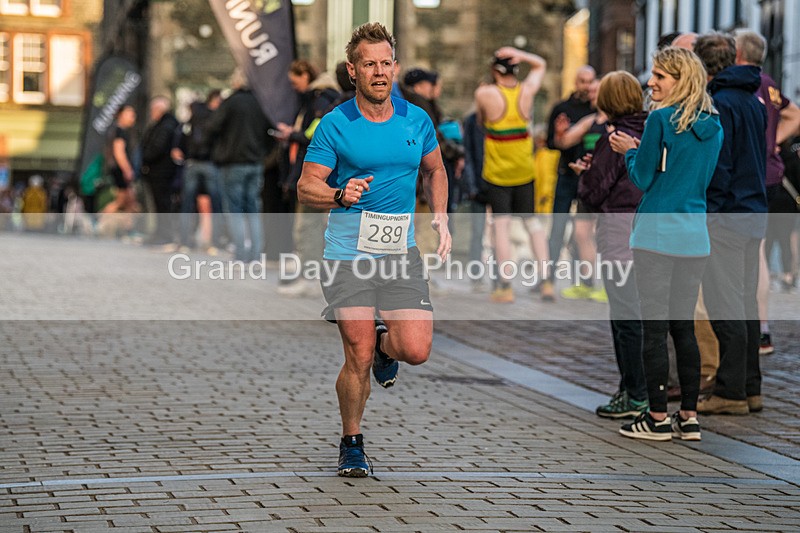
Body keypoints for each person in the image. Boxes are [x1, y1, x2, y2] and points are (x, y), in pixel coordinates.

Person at [296, 22, 450, 477]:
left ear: (395, 68)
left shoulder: (416, 119)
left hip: (399, 251)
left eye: (386, 63)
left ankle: (388, 346)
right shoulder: (335, 125)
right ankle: (352, 441)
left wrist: (440, 215)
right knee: (356, 355)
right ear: (353, 70)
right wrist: (341, 194)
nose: (379, 72)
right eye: (369, 64)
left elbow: (436, 170)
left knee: (416, 348)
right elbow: (306, 187)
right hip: (347, 255)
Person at [609, 46, 723, 441]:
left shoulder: (659, 120)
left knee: (654, 329)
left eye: (659, 75)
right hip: (694, 236)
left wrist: (631, 151)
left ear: (680, 78)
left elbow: (642, 178)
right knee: (684, 328)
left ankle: (657, 417)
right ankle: (688, 416)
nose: (651, 82)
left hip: (656, 235)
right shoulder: (714, 124)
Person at [694, 33, 767, 416]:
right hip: (753, 212)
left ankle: (731, 391)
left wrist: (710, 214)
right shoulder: (753, 100)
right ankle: (751, 387)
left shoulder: (719, 104)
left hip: (726, 217)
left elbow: (719, 168)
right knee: (745, 303)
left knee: (725, 305)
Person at [574, 71, 648, 419]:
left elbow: (594, 193)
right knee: (643, 315)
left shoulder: (613, 138)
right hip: (648, 229)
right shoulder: (650, 130)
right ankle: (639, 389)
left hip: (618, 233)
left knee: (625, 318)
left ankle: (634, 393)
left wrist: (586, 175)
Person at [734, 30, 800, 355]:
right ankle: (760, 329)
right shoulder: (769, 81)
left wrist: (768, 141)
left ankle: (759, 328)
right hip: (771, 174)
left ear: (738, 52)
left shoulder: (745, 82)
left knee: (754, 252)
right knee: (756, 250)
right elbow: (795, 115)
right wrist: (775, 140)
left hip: (752, 177)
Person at [474, 47, 553, 303]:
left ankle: (505, 285)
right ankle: (546, 281)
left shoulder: (485, 93)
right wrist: (519, 53)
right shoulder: (527, 91)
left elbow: (480, 123)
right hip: (524, 170)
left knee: (501, 226)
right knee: (533, 224)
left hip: (497, 172)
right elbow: (540, 64)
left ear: (495, 71)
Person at [275, 59, 340, 296]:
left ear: (306, 75)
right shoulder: (327, 96)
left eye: (295, 81)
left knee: (308, 227)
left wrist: (295, 135)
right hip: (328, 173)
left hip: (317, 172)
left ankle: (311, 279)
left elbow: (317, 131)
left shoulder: (320, 97)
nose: (294, 87)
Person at [206, 68, 276, 264]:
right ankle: (256, 253)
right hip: (255, 162)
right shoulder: (261, 102)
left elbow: (211, 127)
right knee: (253, 207)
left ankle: (240, 253)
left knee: (234, 209)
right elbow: (271, 131)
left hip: (233, 162)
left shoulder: (230, 103)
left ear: (235, 83)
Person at [546, 66, 596, 272]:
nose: (586, 86)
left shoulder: (597, 111)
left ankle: (582, 278)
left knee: (582, 229)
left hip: (589, 177)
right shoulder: (562, 108)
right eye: (582, 81)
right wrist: (561, 135)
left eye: (589, 81)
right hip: (567, 173)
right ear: (576, 82)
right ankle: (548, 276)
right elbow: (550, 143)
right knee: (558, 225)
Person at [174, 90, 225, 254]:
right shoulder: (216, 118)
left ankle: (185, 242)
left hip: (192, 162)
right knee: (216, 205)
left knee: (187, 204)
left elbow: (182, 133)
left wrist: (179, 149)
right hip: (211, 163)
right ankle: (215, 243)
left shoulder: (195, 116)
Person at [140, 96, 180, 247]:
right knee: (161, 205)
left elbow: (157, 146)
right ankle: (161, 233)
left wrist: (147, 158)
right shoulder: (167, 124)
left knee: (162, 204)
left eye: (153, 110)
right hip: (161, 171)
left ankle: (164, 234)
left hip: (161, 172)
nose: (151, 113)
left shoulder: (166, 125)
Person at [100, 105, 139, 217]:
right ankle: (99, 221)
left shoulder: (117, 130)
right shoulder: (119, 131)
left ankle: (127, 228)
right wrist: (127, 169)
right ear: (121, 115)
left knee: (130, 202)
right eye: (129, 114)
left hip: (118, 169)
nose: (133, 117)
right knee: (122, 200)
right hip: (119, 170)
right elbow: (119, 152)